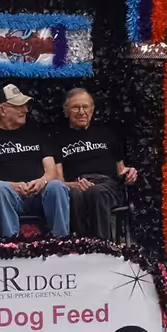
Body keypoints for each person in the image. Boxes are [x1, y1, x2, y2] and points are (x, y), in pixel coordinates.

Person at [0, 84, 70, 237]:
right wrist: (11, 186)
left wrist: (42, 181)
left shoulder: (37, 133)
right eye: (19, 106)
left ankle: (61, 241)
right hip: (10, 196)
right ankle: (11, 244)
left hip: (40, 193)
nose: (25, 110)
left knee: (57, 186)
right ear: (2, 110)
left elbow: (51, 171)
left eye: (25, 106)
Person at [55, 88, 138, 242]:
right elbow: (58, 180)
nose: (81, 112)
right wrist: (72, 184)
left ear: (92, 110)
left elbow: (121, 169)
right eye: (75, 107)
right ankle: (81, 243)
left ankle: (101, 245)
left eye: (85, 107)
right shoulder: (58, 139)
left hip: (107, 184)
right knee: (75, 194)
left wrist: (129, 172)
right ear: (66, 111)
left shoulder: (106, 133)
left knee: (95, 192)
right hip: (78, 184)